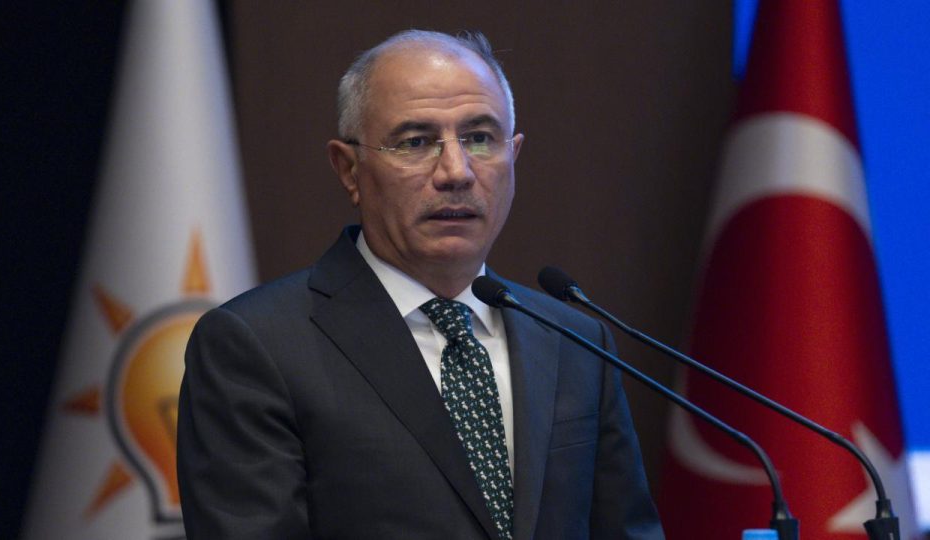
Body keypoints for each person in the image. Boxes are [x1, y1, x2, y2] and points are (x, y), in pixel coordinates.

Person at [177, 29, 664, 540]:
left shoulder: (576, 343)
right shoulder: (257, 346)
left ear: (513, 156)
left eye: (480, 138)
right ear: (349, 169)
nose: (457, 172)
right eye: (415, 142)